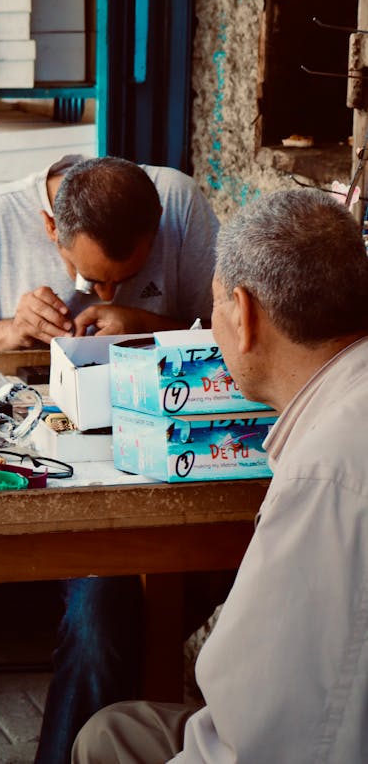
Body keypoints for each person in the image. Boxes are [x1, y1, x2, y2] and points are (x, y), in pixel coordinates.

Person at [0, 156, 221, 764]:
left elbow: (228, 339)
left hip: (108, 499)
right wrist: (5, 331)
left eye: (124, 279)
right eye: (88, 276)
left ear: (156, 228)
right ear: (47, 227)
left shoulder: (181, 206)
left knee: (105, 615)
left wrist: (141, 324)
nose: (100, 294)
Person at [72, 187, 368, 764]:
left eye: (213, 311)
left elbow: (263, 734)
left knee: (111, 741)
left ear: (245, 312)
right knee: (114, 730)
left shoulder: (325, 473)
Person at [0, 154, 220, 355]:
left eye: (129, 278)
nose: (107, 296)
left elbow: (231, 331)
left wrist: (145, 328)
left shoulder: (179, 201)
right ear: (51, 227)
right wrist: (14, 331)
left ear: (159, 221)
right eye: (88, 279)